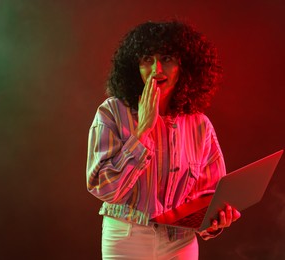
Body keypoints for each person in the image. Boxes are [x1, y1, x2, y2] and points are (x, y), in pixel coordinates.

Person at [86, 20, 241, 260]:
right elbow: (104, 188)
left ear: (184, 67)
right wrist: (143, 131)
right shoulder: (112, 112)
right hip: (127, 238)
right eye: (147, 59)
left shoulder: (200, 124)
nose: (157, 69)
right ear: (135, 66)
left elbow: (210, 195)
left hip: (180, 242)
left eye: (167, 58)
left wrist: (215, 221)